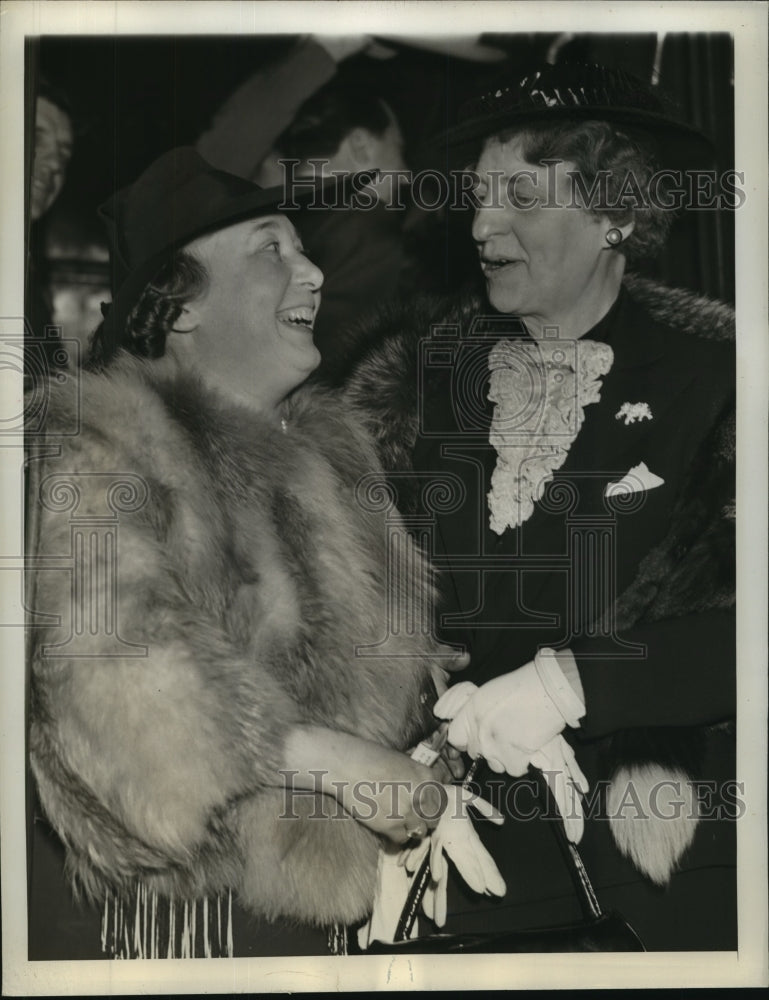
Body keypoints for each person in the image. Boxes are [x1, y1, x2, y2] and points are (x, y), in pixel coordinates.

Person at [26, 147, 503, 959]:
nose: (313, 272)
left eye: (304, 248)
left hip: (331, 922)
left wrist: (425, 711)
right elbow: (108, 675)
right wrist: (330, 759)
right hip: (183, 924)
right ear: (179, 307)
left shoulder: (334, 452)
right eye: (271, 249)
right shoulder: (99, 441)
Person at [345, 62, 736, 950]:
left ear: (614, 213)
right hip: (463, 857)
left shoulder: (717, 380)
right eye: (479, 198)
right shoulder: (417, 388)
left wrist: (578, 683)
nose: (483, 226)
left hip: (663, 870)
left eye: (519, 197)